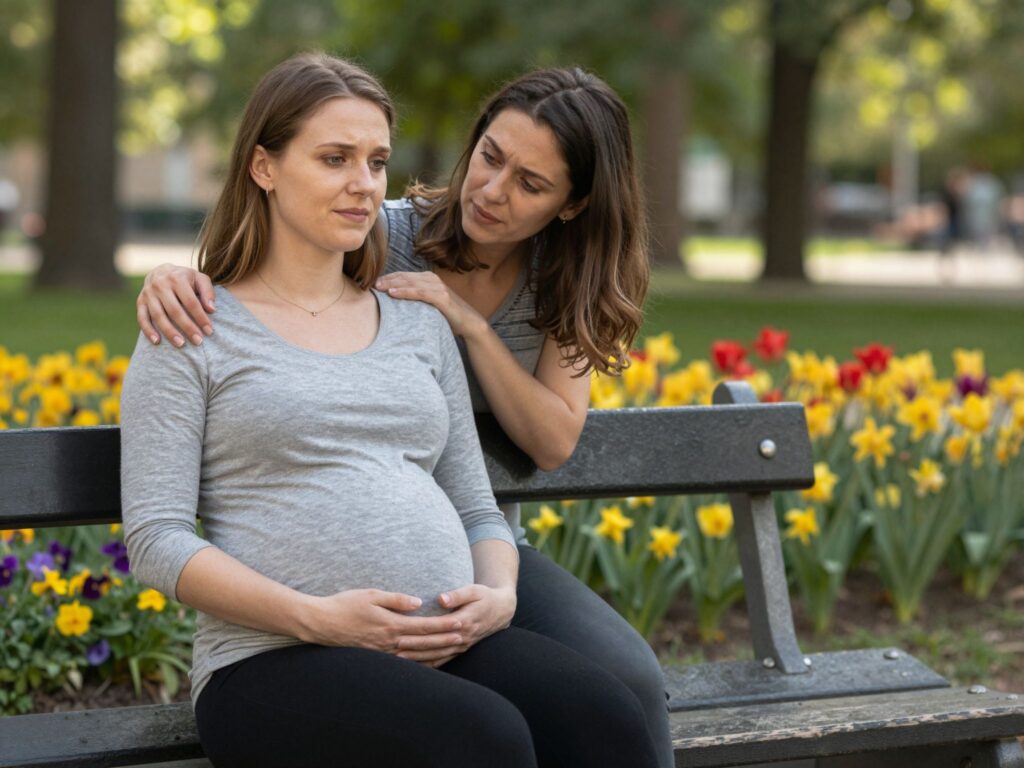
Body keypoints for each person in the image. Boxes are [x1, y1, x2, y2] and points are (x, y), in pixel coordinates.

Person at [121, 52, 658, 768]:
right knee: (484, 739)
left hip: (448, 636)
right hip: (278, 654)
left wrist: (499, 594)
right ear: (264, 166)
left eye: (376, 162)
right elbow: (155, 537)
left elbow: (477, 502)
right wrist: (318, 617)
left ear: (568, 203)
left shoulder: (416, 315)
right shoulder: (193, 327)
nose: (362, 185)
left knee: (605, 714)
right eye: (335, 158)